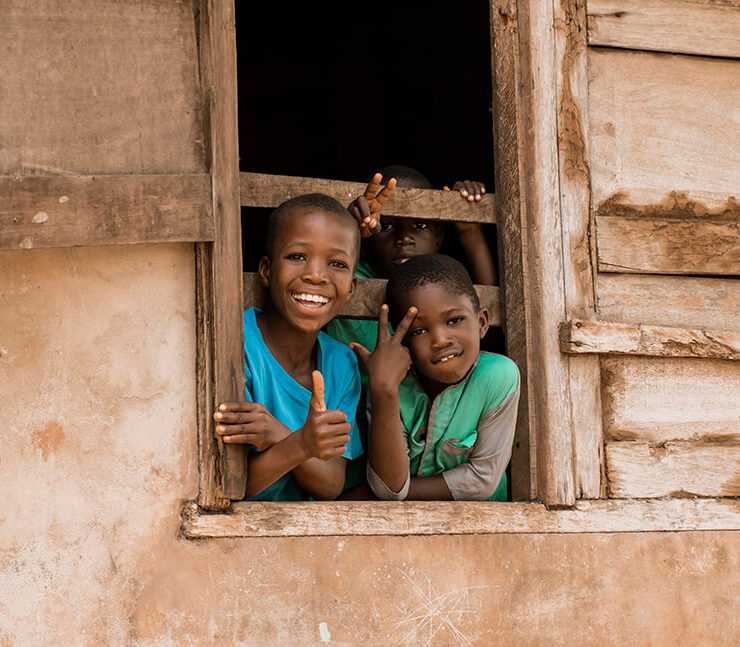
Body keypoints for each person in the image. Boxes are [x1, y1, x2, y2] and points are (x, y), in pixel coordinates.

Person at [328, 165, 495, 494]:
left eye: (419, 224)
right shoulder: (351, 278)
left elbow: (484, 309)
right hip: (352, 448)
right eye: (387, 226)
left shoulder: (441, 288)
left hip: (420, 452)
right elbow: (330, 268)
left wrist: (470, 229)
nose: (404, 238)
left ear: (439, 237)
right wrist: (350, 232)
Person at [213, 193, 364, 500]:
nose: (316, 275)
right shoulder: (234, 345)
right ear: (266, 271)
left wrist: (281, 436)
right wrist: (303, 445)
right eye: (297, 257)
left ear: (351, 287)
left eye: (337, 263)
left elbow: (331, 485)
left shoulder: (341, 364)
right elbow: (230, 487)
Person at [351, 254, 519, 501]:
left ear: (482, 323)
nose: (440, 340)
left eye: (454, 320)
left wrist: (375, 494)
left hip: (484, 520)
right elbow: (389, 488)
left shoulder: (497, 376)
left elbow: (482, 481)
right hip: (397, 523)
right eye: (419, 330)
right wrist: (384, 388)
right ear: (403, 342)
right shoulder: (388, 382)